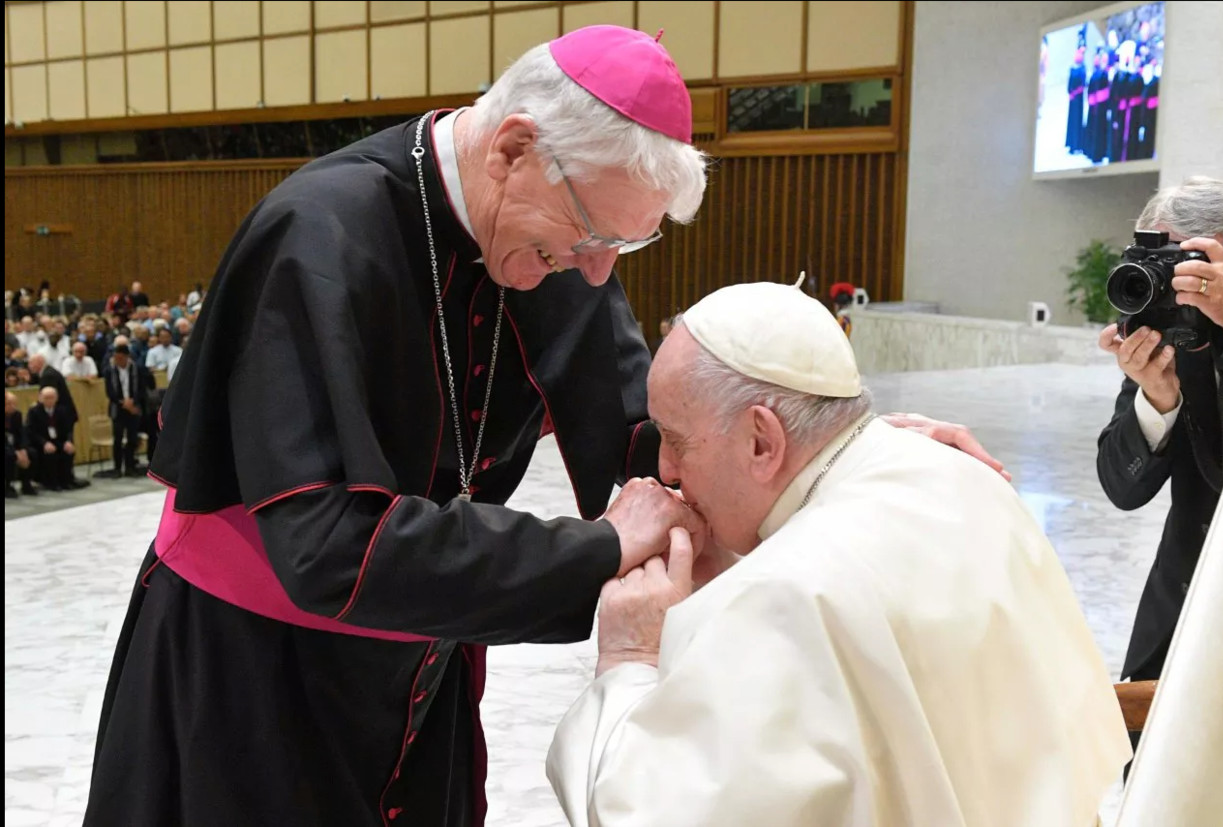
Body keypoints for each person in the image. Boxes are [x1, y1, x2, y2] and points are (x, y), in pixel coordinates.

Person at [85, 26, 1002, 827]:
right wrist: (596, 552)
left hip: (420, 671)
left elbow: (656, 437)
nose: (595, 275)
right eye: (591, 235)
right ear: (515, 148)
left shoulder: (553, 234)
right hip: (254, 682)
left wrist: (834, 456)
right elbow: (327, 544)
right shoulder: (319, 237)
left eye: (622, 247)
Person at [547, 281, 1130, 827]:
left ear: (761, 441)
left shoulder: (785, 595)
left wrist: (631, 657)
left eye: (674, 441)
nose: (666, 470)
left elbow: (646, 812)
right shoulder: (958, 470)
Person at [1096, 177, 1223, 754]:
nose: (1176, 285)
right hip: (1181, 615)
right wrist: (1158, 403)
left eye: (1190, 263)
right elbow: (1121, 488)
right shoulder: (1161, 333)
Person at [101, 344, 147, 478]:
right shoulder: (109, 370)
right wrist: (123, 403)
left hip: (134, 406)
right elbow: (109, 392)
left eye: (120, 358)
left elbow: (142, 389)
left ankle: (130, 466)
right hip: (118, 408)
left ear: (127, 357)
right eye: (115, 358)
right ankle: (117, 467)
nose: (117, 360)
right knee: (118, 439)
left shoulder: (137, 369)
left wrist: (133, 402)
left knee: (133, 438)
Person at [26, 386, 79, 491]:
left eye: (51, 397)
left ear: (56, 398)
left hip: (59, 440)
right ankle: (52, 482)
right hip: (41, 442)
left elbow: (68, 429)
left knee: (68, 451)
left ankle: (66, 480)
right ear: (40, 398)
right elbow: (31, 431)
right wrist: (44, 443)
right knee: (50, 453)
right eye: (46, 398)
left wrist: (68, 441)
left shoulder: (62, 410)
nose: (49, 400)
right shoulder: (34, 411)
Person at [5, 391, 37, 498]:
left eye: (14, 403)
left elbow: (22, 433)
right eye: (9, 404)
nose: (12, 406)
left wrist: (23, 449)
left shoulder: (17, 415)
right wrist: (15, 452)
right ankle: (8, 486)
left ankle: (26, 483)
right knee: (10, 456)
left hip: (15, 445)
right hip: (6, 447)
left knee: (31, 453)